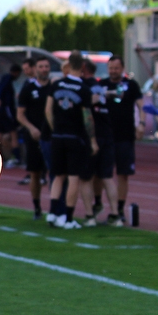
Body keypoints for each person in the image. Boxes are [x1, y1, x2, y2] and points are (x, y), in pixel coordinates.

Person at [45, 51, 98, 229]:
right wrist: (92, 140)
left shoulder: (57, 84)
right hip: (75, 137)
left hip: (57, 136)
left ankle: (52, 213)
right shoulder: (84, 89)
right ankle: (68, 218)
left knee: (58, 175)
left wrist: (56, 129)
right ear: (82, 66)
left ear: (68, 64)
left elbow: (48, 110)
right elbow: (87, 117)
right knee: (73, 178)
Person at [103, 55, 144, 223]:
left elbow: (141, 106)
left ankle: (119, 209)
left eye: (116, 68)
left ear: (122, 68)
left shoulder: (131, 85)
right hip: (105, 135)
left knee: (123, 174)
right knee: (103, 174)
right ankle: (101, 205)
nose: (113, 71)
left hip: (125, 136)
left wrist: (141, 123)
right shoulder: (102, 85)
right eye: (111, 68)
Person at [81, 59, 121, 225]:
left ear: (83, 70)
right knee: (107, 177)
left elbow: (85, 110)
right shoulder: (101, 86)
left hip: (92, 135)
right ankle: (115, 215)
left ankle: (90, 215)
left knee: (86, 178)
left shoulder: (83, 87)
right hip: (107, 133)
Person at [16, 56, 54, 219]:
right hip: (34, 136)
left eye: (46, 66)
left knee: (55, 173)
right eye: (41, 66)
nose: (44, 69)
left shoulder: (54, 87)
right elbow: (20, 115)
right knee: (35, 173)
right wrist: (31, 128)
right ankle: (37, 207)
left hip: (52, 136)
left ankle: (55, 207)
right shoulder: (28, 89)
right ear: (36, 69)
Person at [0, 63, 22, 170]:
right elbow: (1, 90)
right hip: (5, 110)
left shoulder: (4, 79)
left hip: (0, 111)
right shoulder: (8, 79)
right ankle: (17, 157)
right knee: (13, 133)